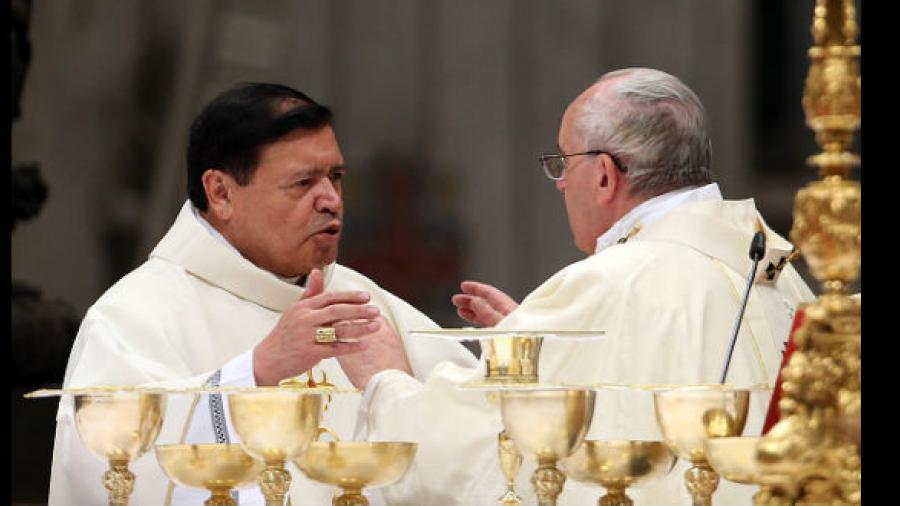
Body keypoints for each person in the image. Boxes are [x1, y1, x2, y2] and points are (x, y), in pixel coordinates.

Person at [344, 68, 815, 505]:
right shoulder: (777, 274)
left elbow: (475, 448)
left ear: (606, 175)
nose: (560, 183)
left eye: (562, 163)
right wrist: (539, 345)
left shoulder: (606, 284)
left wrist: (388, 385)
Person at [48, 83, 477, 505]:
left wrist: (518, 344)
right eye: (303, 182)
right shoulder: (134, 316)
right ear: (221, 193)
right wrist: (254, 372)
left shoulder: (369, 307)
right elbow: (101, 467)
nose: (331, 200)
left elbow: (483, 449)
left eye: (336, 177)